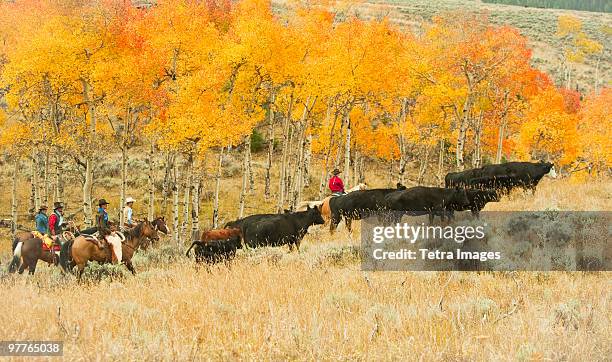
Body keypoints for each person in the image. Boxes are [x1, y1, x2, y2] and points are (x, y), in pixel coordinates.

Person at [96, 199, 122, 264]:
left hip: (103, 230)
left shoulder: (101, 212)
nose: (106, 205)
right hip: (103, 232)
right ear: (102, 205)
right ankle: (115, 259)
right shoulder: (102, 214)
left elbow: (104, 223)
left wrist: (110, 224)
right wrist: (110, 232)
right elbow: (103, 226)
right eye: (105, 204)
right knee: (116, 241)